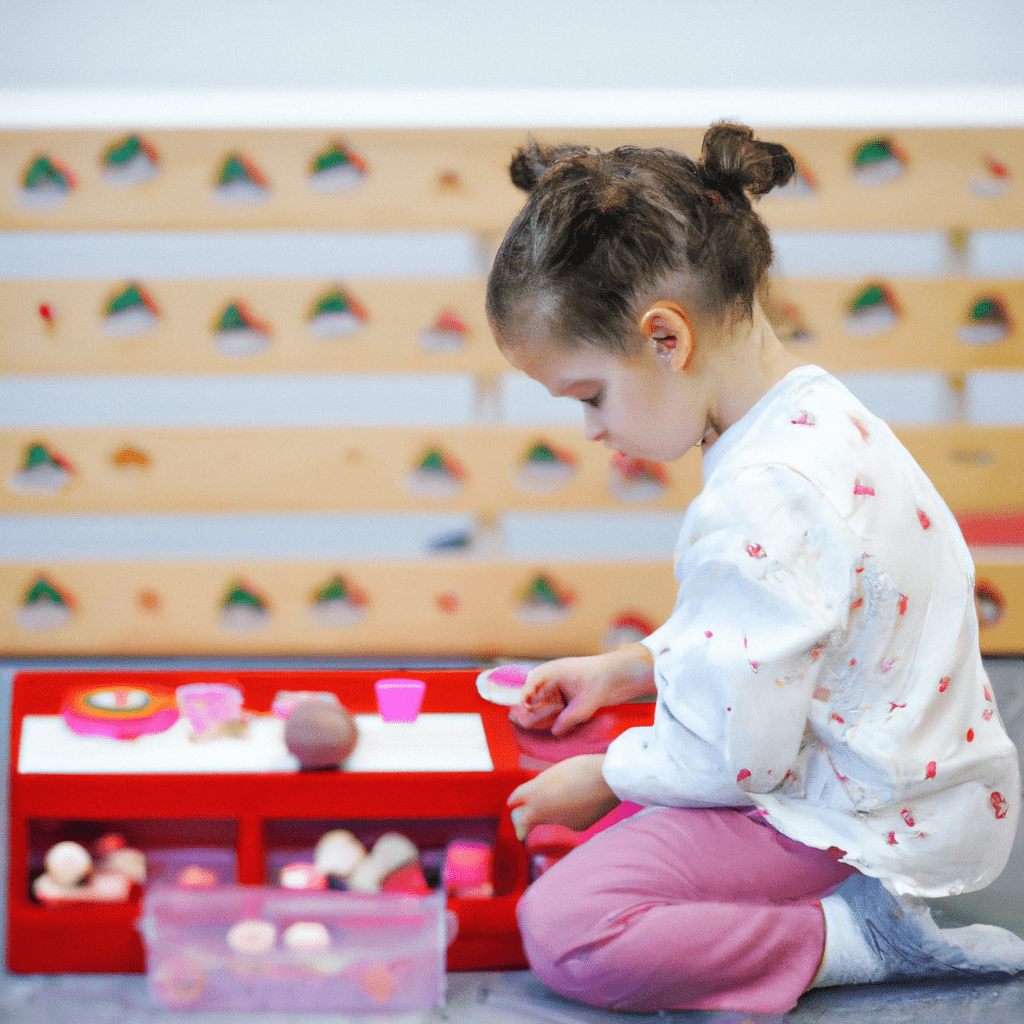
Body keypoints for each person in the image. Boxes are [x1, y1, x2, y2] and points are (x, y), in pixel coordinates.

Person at [485, 122, 1024, 1014]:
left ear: (665, 338)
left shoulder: (761, 495)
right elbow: (794, 627)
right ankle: (831, 905)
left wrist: (611, 776)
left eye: (589, 396)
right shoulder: (816, 414)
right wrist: (630, 669)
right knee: (606, 792)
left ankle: (851, 939)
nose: (592, 432)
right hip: (907, 789)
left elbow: (739, 758)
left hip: (849, 820)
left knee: (568, 925)